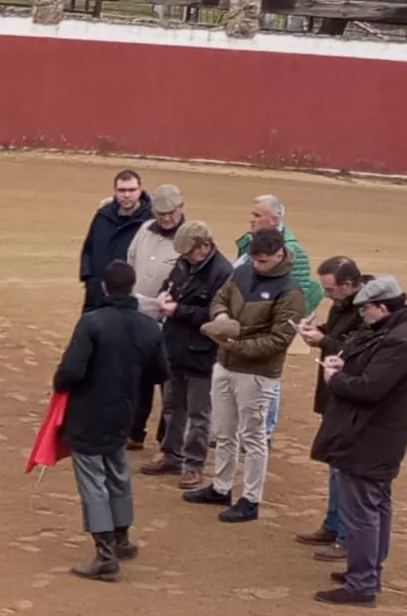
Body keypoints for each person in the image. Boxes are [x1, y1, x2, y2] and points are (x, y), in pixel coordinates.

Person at [311, 276, 407, 607]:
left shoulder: (400, 340)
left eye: (366, 309)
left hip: (368, 437)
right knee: (376, 507)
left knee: (362, 511)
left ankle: (362, 582)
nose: (362, 315)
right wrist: (341, 359)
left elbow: (370, 389)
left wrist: (335, 378)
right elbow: (362, 359)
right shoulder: (399, 333)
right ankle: (366, 573)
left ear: (381, 307)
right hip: (377, 438)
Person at [52, 261, 168, 581]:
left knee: (93, 481)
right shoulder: (148, 327)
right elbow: (161, 372)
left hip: (89, 413)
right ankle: (122, 539)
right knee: (118, 473)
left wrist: (60, 385)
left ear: (105, 287)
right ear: (131, 288)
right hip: (124, 412)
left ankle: (104, 554)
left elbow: (71, 371)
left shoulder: (92, 323)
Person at [185, 227, 307, 524]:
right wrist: (222, 319)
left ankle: (251, 499)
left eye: (263, 261)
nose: (257, 265)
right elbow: (220, 299)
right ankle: (221, 486)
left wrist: (236, 344)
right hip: (226, 364)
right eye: (254, 259)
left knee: (252, 436)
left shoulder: (291, 292)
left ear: (279, 255)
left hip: (257, 373)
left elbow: (279, 341)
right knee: (224, 432)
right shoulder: (241, 273)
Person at [147, 220, 233, 491]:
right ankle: (171, 454)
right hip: (174, 347)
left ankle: (194, 464)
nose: (184, 257)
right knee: (172, 406)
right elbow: (170, 284)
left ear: (205, 246)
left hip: (202, 352)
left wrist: (178, 310)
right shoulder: (184, 263)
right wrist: (163, 295)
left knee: (198, 413)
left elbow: (215, 313)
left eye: (189, 252)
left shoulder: (223, 272)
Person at [294, 256, 367, 560]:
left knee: (345, 469)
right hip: (335, 391)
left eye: (330, 290)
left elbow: (358, 349)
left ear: (349, 285)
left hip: (351, 394)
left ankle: (347, 535)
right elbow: (337, 335)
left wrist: (325, 339)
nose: (327, 296)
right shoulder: (344, 303)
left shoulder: (367, 309)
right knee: (335, 466)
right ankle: (334, 523)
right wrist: (318, 332)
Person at [122, 183, 186, 449]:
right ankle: (135, 432)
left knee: (170, 384)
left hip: (172, 321)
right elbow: (130, 261)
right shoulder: (144, 230)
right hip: (140, 317)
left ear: (181, 208)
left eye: (170, 212)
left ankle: (167, 441)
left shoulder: (188, 237)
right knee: (139, 378)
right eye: (160, 214)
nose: (166, 218)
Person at [233, 196, 325, 312]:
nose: (251, 220)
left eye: (257, 216)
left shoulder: (291, 250)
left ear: (275, 220)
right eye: (252, 214)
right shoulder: (250, 240)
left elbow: (298, 298)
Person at [78, 169, 152, 311]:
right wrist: (88, 278)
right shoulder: (103, 215)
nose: (126, 195)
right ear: (115, 191)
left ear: (140, 190)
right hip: (97, 294)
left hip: (128, 298)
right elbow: (88, 248)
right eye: (121, 190)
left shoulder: (150, 221)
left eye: (132, 190)